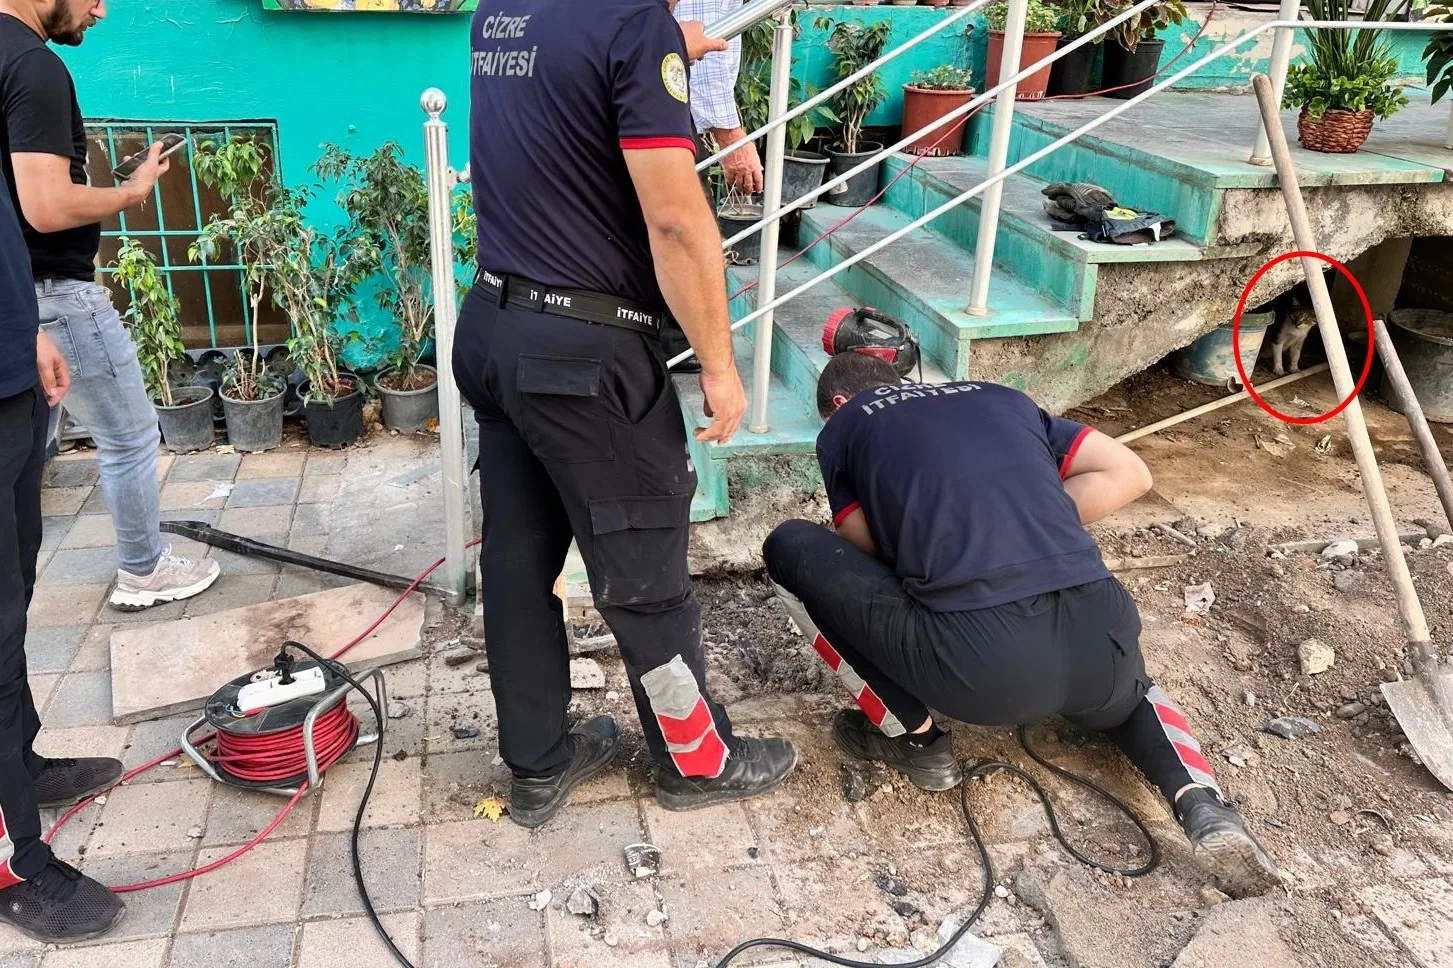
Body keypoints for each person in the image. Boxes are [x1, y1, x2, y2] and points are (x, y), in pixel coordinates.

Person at [762, 353, 1283, 898]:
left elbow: (860, 541)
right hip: (1100, 640)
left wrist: (945, 545)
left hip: (981, 676)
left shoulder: (849, 423)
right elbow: (1131, 473)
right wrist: (1023, 526)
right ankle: (1200, 801)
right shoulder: (1002, 398)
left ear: (838, 404)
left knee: (791, 547)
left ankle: (915, 742)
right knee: (1130, 695)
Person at [457, 0, 796, 828]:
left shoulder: (501, 12)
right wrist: (719, 365)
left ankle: (536, 765)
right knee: (644, 575)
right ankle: (696, 762)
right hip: (581, 355)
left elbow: (561, 80)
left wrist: (655, 52)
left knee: (517, 561)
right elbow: (677, 220)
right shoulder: (630, 24)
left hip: (496, 328)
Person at [0, 0, 220, 612]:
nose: (100, 9)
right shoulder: (33, 66)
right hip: (55, 293)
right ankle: (144, 569)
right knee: (129, 434)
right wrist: (130, 192)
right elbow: (44, 207)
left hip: (16, 298)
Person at [0, 158, 126, 944]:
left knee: (12, 602)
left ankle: (20, 767)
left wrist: (29, 327)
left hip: (10, 374)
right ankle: (16, 859)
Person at [664, 0, 764, 371]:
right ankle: (684, 345)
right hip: (667, 101)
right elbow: (702, 38)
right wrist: (732, 137)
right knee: (685, 226)